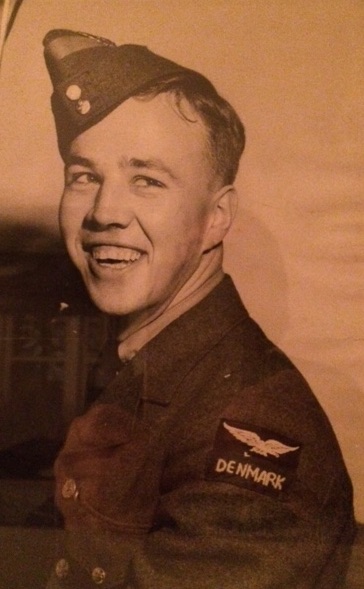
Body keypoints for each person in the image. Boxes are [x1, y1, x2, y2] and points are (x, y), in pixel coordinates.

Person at [43, 29, 355, 588]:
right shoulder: (143, 363)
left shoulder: (255, 426)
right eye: (85, 176)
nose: (104, 212)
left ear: (217, 217)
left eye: (148, 180)